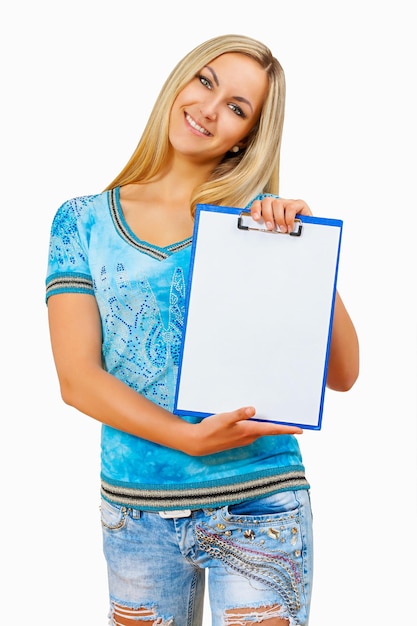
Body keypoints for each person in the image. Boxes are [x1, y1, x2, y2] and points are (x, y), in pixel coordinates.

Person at [46, 34, 359, 626]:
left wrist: (308, 250)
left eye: (238, 108)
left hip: (259, 504)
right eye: (206, 82)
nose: (210, 109)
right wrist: (183, 437)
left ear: (249, 136)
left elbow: (342, 374)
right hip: (136, 513)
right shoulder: (80, 221)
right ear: (181, 81)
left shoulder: (254, 224)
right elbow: (77, 378)